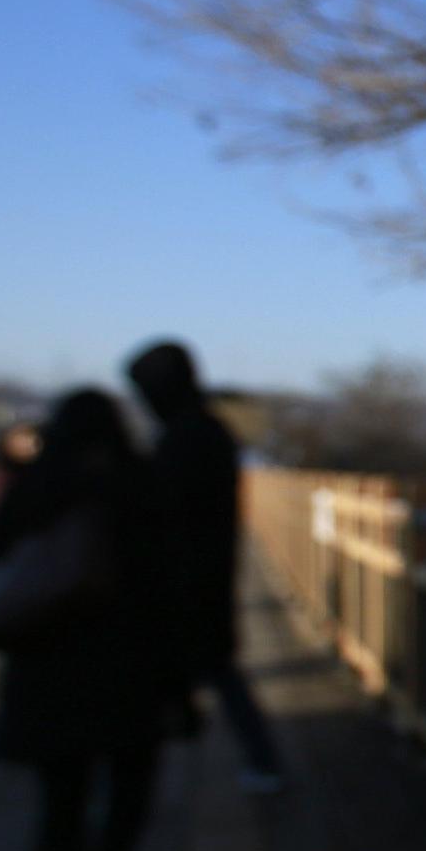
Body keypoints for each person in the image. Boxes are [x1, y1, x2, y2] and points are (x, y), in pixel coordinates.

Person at [0, 387, 174, 851]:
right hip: (128, 663)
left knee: (60, 797)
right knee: (131, 780)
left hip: (46, 664)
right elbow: (169, 579)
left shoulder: (35, 488)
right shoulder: (137, 484)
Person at [125, 339, 283, 791]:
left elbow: (166, 512)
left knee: (208, 672)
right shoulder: (204, 431)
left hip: (187, 578)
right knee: (218, 671)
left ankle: (130, 781)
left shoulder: (187, 437)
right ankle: (258, 759)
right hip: (203, 574)